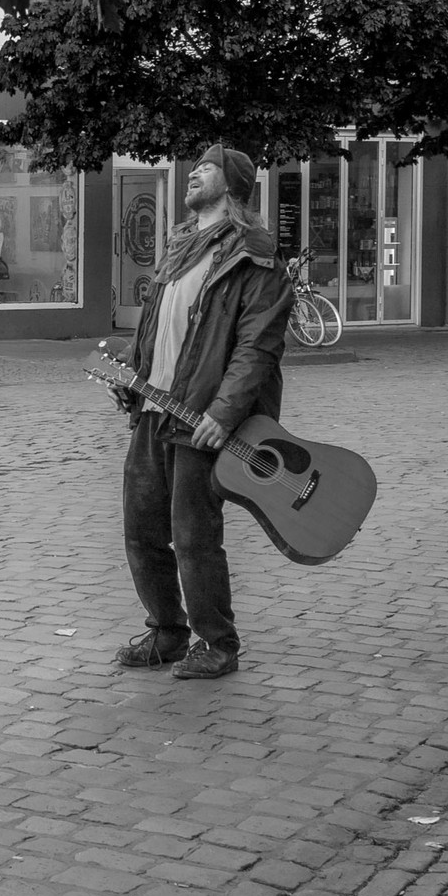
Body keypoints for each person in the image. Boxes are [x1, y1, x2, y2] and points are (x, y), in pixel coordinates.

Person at [107, 144, 293, 681]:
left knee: (193, 536)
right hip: (155, 410)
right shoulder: (179, 248)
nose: (193, 174)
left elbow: (257, 347)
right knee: (141, 528)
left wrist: (225, 411)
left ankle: (218, 642)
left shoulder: (255, 256)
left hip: (203, 417)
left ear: (233, 184)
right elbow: (157, 328)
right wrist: (132, 374)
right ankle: (166, 631)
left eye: (206, 168)